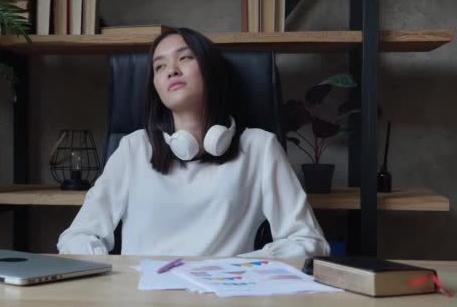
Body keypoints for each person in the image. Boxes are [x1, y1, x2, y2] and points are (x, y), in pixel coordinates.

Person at [57, 27, 330, 258]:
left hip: (225, 295)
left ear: (210, 70)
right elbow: (77, 236)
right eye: (159, 66)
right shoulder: (133, 148)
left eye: (184, 58)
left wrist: (243, 266)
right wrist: (117, 275)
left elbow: (308, 242)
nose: (171, 71)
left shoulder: (260, 148)